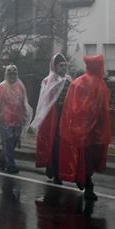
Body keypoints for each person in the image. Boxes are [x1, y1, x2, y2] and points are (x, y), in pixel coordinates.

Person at [58, 54, 111, 201]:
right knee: (87, 158)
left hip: (83, 129)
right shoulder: (97, 84)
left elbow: (71, 108)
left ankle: (85, 181)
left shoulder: (79, 83)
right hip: (91, 130)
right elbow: (101, 109)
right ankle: (87, 183)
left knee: (84, 158)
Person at [30, 53, 73, 183]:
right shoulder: (47, 81)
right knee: (53, 144)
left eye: (65, 65)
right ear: (55, 66)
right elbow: (44, 101)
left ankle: (59, 170)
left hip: (65, 117)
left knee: (62, 145)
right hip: (52, 116)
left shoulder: (69, 80)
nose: (64, 68)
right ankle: (52, 169)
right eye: (61, 65)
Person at [0, 65, 32, 174]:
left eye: (14, 74)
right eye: (10, 74)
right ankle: (11, 165)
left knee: (14, 142)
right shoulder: (0, 88)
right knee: (8, 142)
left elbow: (23, 103)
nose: (12, 76)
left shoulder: (20, 87)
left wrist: (24, 117)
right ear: (6, 74)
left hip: (17, 120)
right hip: (4, 120)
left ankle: (3, 158)